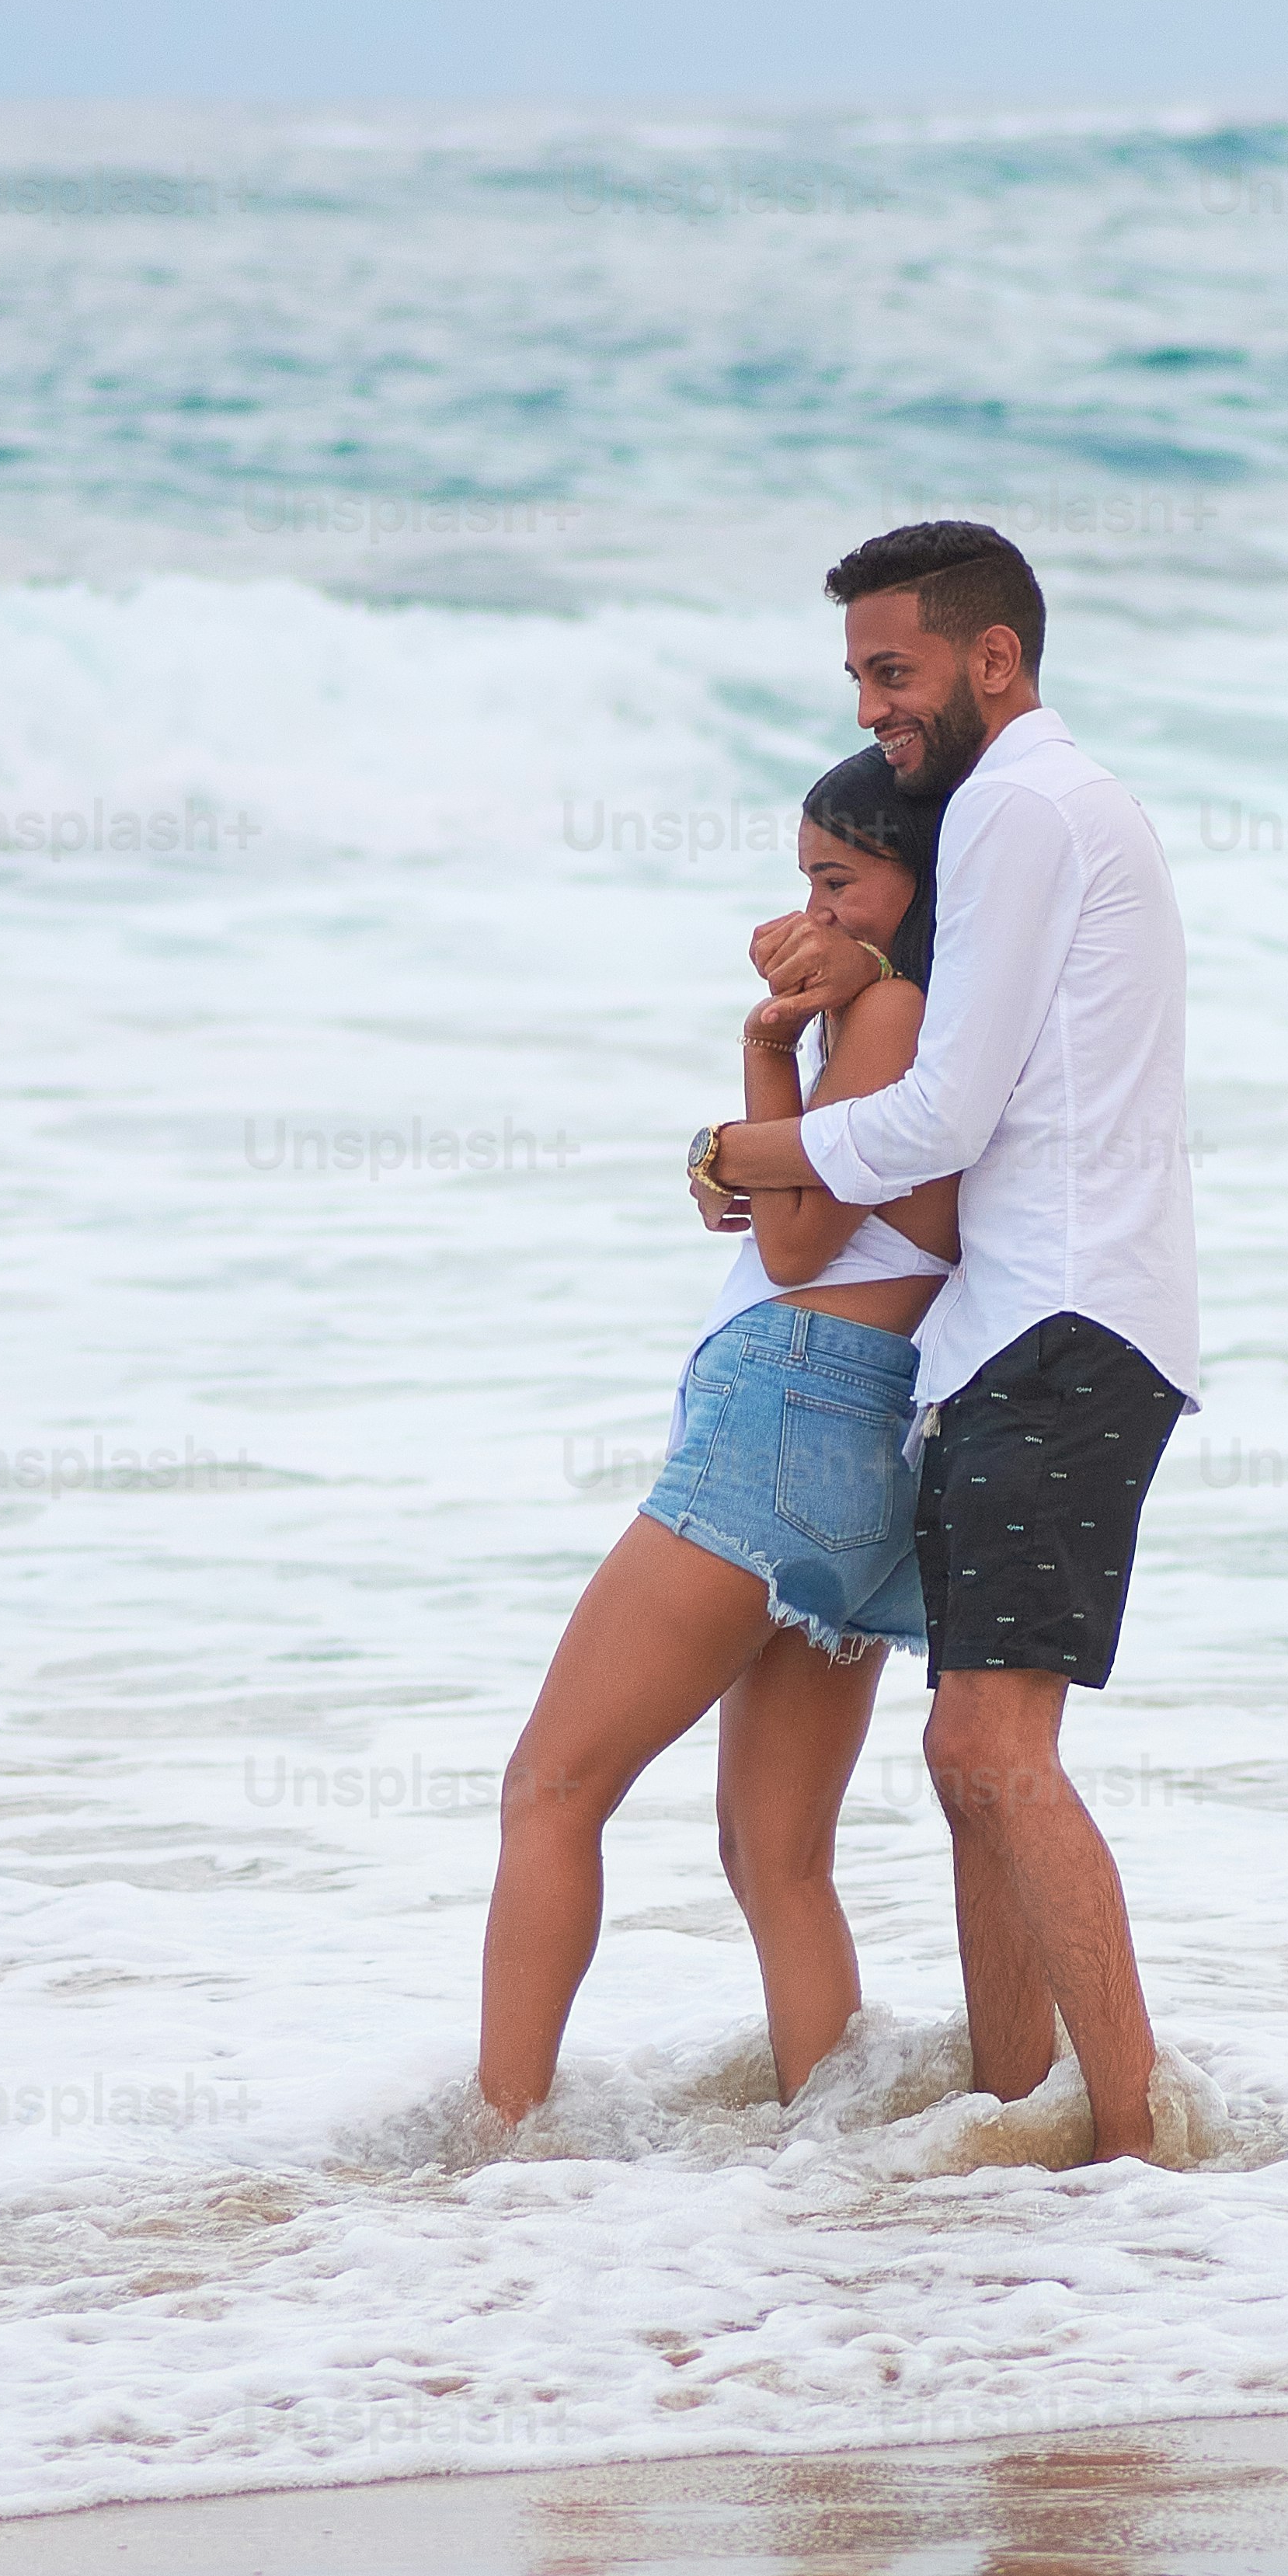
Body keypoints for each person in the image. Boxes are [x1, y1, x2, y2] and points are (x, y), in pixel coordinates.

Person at [689, 522, 1197, 2165]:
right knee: (970, 1756)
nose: (872, 708)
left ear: (994, 659)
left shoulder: (1013, 809)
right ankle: (1014, 2111)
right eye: (856, 676)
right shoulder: (1047, 808)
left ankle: (1132, 2140)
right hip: (1037, 1320)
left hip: (1061, 1317)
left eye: (894, 671)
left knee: (988, 1746)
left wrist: (738, 1148)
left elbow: (941, 1110)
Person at [477, 755, 959, 2122]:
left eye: (836, 879)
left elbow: (796, 1244)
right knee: (778, 1853)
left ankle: (494, 2148)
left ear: (915, 888)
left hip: (790, 1399)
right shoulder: (960, 1019)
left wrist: (764, 1046)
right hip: (880, 1438)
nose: (805, 908)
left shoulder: (890, 1012)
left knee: (552, 1787)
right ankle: (840, 2156)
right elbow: (800, 1208)